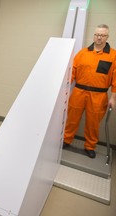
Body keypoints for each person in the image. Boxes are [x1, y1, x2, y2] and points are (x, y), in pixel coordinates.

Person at [63, 24, 116, 159]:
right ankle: (66, 139)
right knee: (72, 118)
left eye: (102, 35)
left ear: (107, 37)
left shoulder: (113, 56)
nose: (99, 38)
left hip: (99, 95)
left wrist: (113, 98)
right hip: (79, 92)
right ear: (94, 35)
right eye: (97, 34)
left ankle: (90, 146)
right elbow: (72, 72)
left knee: (93, 123)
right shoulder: (82, 53)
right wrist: (65, 89)